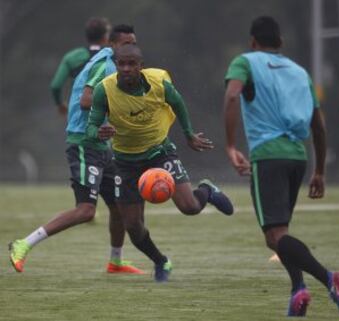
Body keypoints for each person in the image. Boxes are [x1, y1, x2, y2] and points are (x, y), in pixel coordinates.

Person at [223, 16, 339, 318]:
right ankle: (298, 290)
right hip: (298, 156)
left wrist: (230, 146)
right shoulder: (299, 71)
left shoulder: (245, 62)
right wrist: (320, 170)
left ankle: (330, 280)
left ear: (252, 42)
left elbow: (232, 95)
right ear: (280, 43)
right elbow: (318, 126)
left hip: (268, 156)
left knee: (276, 236)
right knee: (280, 233)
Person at [86, 44, 234, 282]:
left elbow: (178, 103)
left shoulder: (158, 84)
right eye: (121, 64)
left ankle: (206, 189)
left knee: (190, 208)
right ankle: (161, 261)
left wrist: (188, 134)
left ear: (140, 66)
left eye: (131, 64)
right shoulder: (105, 90)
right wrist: (99, 131)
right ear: (116, 65)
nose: (125, 68)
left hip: (159, 152)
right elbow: (91, 126)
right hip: (125, 163)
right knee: (133, 228)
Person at [9, 25, 143, 275]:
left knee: (118, 206)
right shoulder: (106, 65)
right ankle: (24, 243)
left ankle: (116, 261)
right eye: (126, 43)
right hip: (84, 143)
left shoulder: (114, 63)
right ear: (112, 45)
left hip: (102, 144)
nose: (131, 47)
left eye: (134, 42)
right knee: (86, 210)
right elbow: (86, 101)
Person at [50, 17, 111, 115]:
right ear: (105, 37)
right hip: (104, 115)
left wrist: (60, 104)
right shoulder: (111, 56)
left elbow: (55, 86)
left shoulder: (72, 57)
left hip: (77, 115)